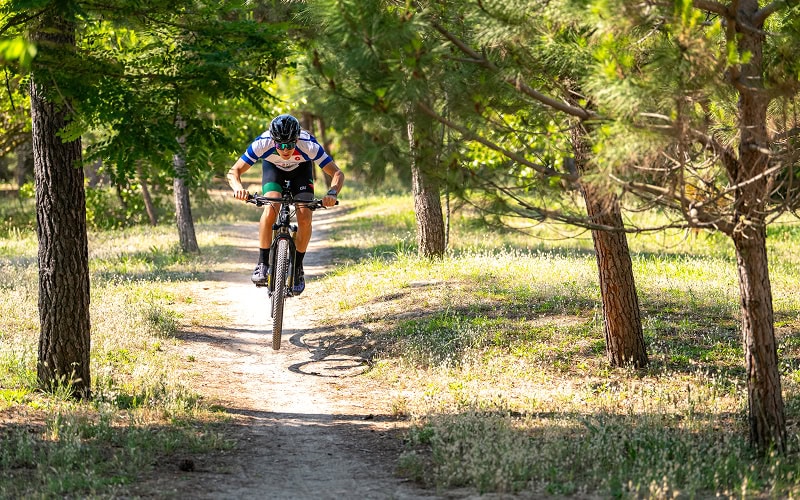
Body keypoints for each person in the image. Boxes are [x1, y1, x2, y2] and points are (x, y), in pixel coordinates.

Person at [227, 114, 344, 295]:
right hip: (274, 170)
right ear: (273, 141)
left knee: (304, 215)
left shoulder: (309, 146)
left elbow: (337, 173)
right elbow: (234, 171)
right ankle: (263, 263)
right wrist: (238, 188)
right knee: (271, 206)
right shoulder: (262, 143)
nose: (286, 149)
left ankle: (297, 268)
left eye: (290, 144)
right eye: (280, 145)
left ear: (297, 139)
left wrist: (332, 193)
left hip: (301, 172)